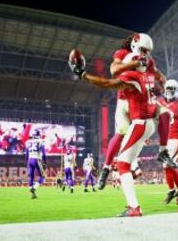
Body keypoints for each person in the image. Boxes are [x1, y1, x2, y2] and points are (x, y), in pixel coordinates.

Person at [68, 45, 160, 217]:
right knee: (126, 160)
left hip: (140, 123)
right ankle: (135, 174)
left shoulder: (134, 76)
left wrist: (83, 75)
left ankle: (134, 207)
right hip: (148, 124)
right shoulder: (148, 76)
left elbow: (106, 83)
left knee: (123, 164)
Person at [96, 33, 174, 190]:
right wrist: (133, 63)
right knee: (121, 132)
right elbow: (114, 70)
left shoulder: (148, 60)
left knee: (166, 113)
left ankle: (161, 151)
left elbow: (159, 75)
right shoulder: (122, 54)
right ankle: (106, 168)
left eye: (147, 51)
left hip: (140, 100)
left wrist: (164, 86)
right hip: (124, 101)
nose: (145, 54)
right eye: (143, 50)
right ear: (135, 45)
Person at [25, 129, 47, 199]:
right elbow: (44, 154)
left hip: (30, 160)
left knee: (31, 177)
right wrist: (45, 162)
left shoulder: (28, 142)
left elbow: (26, 154)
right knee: (43, 176)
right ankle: (34, 188)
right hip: (37, 159)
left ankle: (33, 194)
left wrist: (26, 162)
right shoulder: (40, 141)